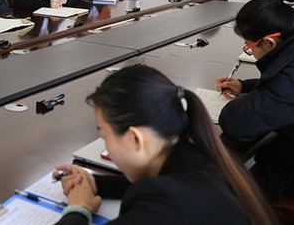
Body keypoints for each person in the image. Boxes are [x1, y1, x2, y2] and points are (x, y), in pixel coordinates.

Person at [53, 65, 276, 225]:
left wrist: (78, 210)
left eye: (104, 135)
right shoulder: (200, 155)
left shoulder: (164, 205)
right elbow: (148, 181)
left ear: (136, 138)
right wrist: (94, 183)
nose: (106, 145)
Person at [217, 0, 294, 201]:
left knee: (224, 194)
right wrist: (245, 86)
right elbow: (286, 89)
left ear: (270, 42)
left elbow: (238, 122)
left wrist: (246, 100)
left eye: (249, 46)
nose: (250, 52)